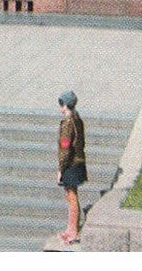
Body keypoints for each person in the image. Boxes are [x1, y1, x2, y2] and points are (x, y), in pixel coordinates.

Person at [57, 90, 87, 244]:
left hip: (71, 164)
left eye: (61, 104)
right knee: (71, 195)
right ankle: (70, 228)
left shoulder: (68, 123)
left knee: (71, 196)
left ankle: (73, 231)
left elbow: (65, 148)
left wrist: (61, 169)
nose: (60, 108)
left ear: (65, 105)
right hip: (78, 161)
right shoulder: (78, 119)